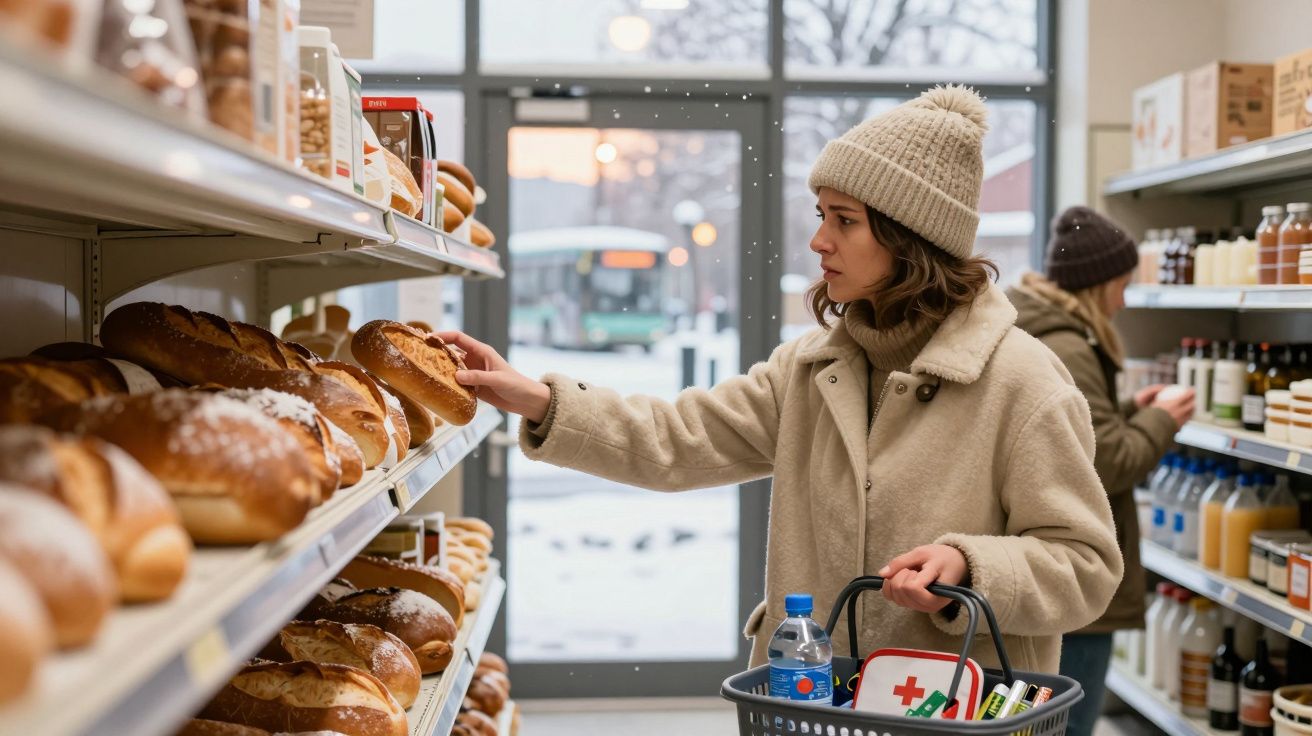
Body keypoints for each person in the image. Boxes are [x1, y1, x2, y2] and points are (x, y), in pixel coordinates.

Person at [440, 86, 1122, 674]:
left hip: (955, 713)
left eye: (844, 221)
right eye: (822, 214)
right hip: (810, 703)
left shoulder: (1026, 384)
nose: (818, 240)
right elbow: (677, 438)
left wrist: (971, 570)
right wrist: (539, 400)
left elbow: (1085, 566)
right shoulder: (811, 370)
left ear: (912, 240)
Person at [1009, 206, 1195, 735]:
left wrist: (1131, 410)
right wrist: (1162, 421)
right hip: (1076, 579)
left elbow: (1077, 438)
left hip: (1047, 567)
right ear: (1098, 286)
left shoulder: (1046, 330)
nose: (1125, 298)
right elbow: (1107, 464)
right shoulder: (1071, 344)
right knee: (1065, 724)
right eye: (1122, 284)